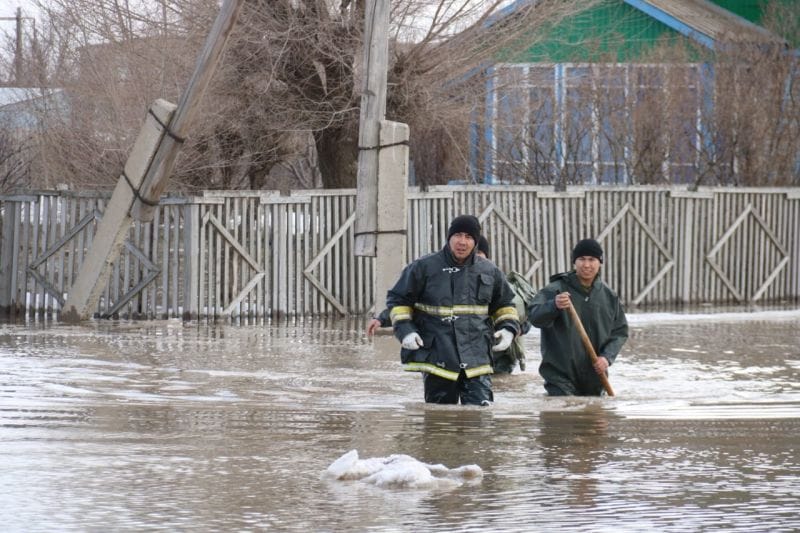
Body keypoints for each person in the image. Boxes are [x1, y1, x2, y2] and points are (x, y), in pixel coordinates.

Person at [385, 215, 521, 405]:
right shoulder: (423, 267)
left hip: (477, 357)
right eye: (458, 235)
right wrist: (406, 331)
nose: (462, 242)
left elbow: (505, 305)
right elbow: (398, 300)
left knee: (480, 415)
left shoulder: (490, 270)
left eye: (468, 237)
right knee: (440, 416)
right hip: (438, 356)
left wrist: (508, 329)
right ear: (449, 238)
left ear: (475, 242)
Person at [528, 238, 628, 396]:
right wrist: (553, 305)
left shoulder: (609, 296)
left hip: (596, 378)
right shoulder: (555, 290)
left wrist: (606, 358)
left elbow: (620, 332)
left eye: (592, 259)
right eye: (581, 259)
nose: (586, 265)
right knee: (565, 409)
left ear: (600, 263)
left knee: (593, 409)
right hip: (560, 378)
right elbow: (534, 317)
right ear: (574, 262)